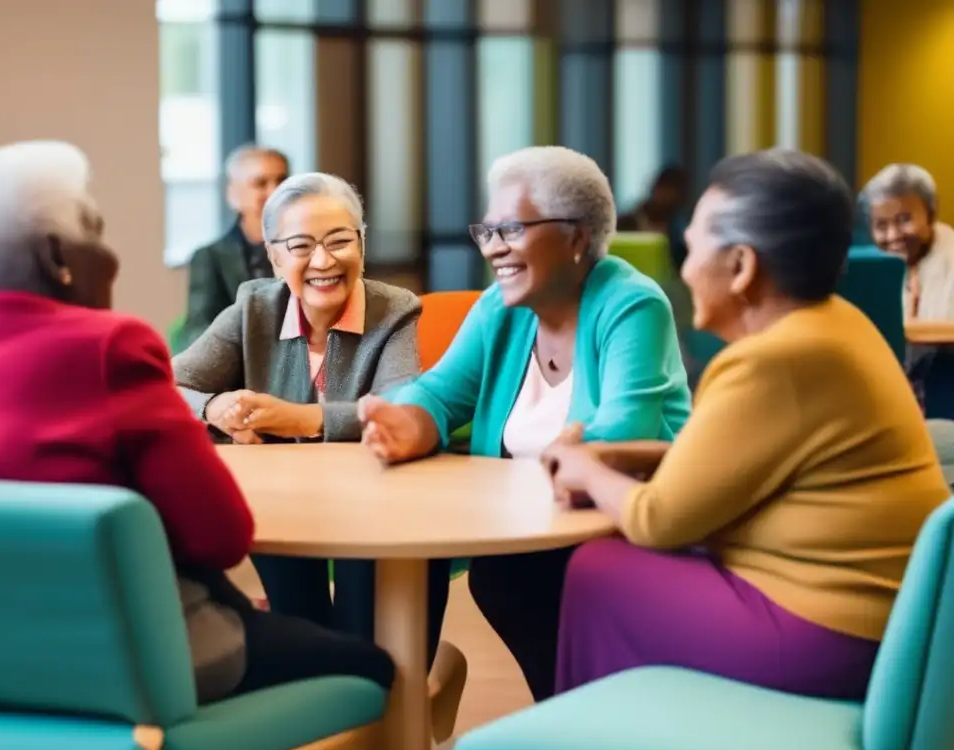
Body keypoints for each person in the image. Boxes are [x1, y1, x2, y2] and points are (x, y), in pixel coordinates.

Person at [0, 141, 394, 704]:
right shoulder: (113, 349)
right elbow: (222, 537)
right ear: (59, 259)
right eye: (97, 234)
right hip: (131, 659)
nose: (113, 258)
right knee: (372, 663)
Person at [543, 149, 950, 700]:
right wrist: (623, 458)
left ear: (741, 266)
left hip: (832, 638)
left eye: (691, 251)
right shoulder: (835, 327)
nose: (684, 272)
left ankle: (593, 744)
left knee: (598, 569)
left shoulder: (771, 361)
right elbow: (738, 465)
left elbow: (658, 520)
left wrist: (582, 469)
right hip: (886, 628)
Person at [360, 145, 692, 700]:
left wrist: (572, 456)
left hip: (629, 531)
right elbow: (440, 394)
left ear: (577, 236)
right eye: (486, 232)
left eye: (511, 229)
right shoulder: (501, 307)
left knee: (521, 585)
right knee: (492, 576)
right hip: (533, 537)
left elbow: (622, 431)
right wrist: (408, 422)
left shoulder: (632, 303)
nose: (494, 248)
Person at [173, 171, 452, 659]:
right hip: (284, 507)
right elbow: (166, 385)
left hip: (376, 509)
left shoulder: (395, 310)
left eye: (340, 241)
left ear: (361, 245)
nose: (323, 261)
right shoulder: (253, 308)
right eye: (300, 246)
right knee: (307, 644)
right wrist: (214, 407)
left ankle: (390, 710)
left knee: (366, 645)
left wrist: (299, 419)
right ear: (276, 256)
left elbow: (402, 408)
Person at [181, 145, 290, 348]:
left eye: (282, 181)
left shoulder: (311, 249)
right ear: (233, 194)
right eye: (260, 183)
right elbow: (198, 331)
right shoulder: (211, 257)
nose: (275, 192)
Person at [862, 163, 954, 322]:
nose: (892, 236)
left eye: (904, 220)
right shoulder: (865, 270)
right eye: (881, 226)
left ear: (931, 214)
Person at [618, 165, 690, 268]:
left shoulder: (679, 230)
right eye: (666, 189)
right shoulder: (627, 223)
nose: (668, 197)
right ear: (656, 188)